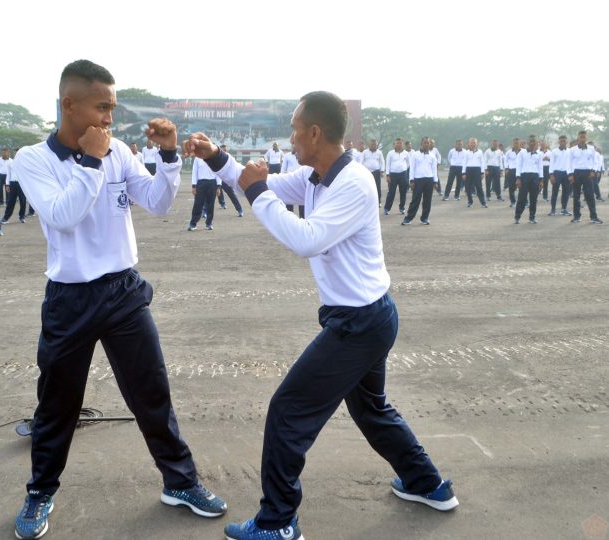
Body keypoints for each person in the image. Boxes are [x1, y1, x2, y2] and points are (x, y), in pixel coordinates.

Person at [186, 93, 456, 540]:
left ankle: (277, 523)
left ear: (314, 132)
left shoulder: (353, 182)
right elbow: (255, 179)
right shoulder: (316, 176)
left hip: (359, 323)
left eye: (294, 129)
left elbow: (306, 238)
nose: (289, 138)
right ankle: (428, 485)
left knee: (288, 412)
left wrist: (256, 193)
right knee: (371, 409)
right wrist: (216, 156)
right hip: (365, 317)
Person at [12, 59, 226, 540]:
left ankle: (181, 481)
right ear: (69, 104)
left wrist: (169, 157)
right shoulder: (32, 159)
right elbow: (63, 217)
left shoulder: (121, 152)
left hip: (123, 291)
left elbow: (158, 202)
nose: (109, 117)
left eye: (112, 107)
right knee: (57, 404)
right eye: (101, 106)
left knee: (152, 392)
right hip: (70, 298)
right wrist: (90, 161)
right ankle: (41, 490)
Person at [403, 137, 440, 225]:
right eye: (425, 143)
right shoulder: (415, 155)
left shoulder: (432, 156)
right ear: (421, 144)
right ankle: (408, 218)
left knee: (427, 201)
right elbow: (412, 168)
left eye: (428, 143)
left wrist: (435, 182)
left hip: (429, 180)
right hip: (418, 180)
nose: (426, 144)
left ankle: (424, 218)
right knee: (415, 200)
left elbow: (434, 170)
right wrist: (411, 180)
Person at [567, 131, 602, 224]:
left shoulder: (591, 149)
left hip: (588, 173)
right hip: (576, 173)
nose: (582, 139)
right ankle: (576, 217)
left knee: (590, 195)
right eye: (581, 137)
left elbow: (595, 161)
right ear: (578, 138)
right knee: (576, 196)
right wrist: (570, 175)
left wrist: (593, 171)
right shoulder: (572, 149)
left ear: (586, 138)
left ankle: (594, 217)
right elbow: (569, 163)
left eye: (584, 137)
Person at [514, 135, 544, 224]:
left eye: (534, 141)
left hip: (535, 177)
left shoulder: (539, 154)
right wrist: (518, 178)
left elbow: (540, 167)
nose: (532, 143)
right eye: (530, 141)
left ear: (536, 143)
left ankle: (532, 217)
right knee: (521, 198)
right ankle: (517, 217)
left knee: (533, 199)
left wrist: (541, 180)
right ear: (527, 142)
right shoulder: (522, 153)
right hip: (524, 176)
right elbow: (518, 166)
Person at [188, 156, 221, 231]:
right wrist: (194, 185)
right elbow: (194, 171)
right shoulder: (198, 158)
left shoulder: (215, 157)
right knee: (197, 204)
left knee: (210, 204)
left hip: (212, 183)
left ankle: (209, 223)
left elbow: (218, 172)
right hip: (201, 183)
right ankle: (193, 223)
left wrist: (218, 186)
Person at [383, 137, 409, 215]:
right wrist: (388, 175)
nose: (399, 144)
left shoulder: (406, 153)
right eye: (397, 143)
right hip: (393, 175)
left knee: (403, 192)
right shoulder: (390, 153)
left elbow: (408, 164)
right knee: (391, 192)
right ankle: (387, 208)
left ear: (403, 144)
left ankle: (402, 208)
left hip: (403, 174)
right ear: (395, 144)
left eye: (400, 143)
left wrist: (403, 168)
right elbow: (387, 164)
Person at [217, 144, 244, 217]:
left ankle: (239, 209)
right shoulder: (216, 157)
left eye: (225, 150)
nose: (224, 151)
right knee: (212, 194)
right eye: (223, 150)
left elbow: (235, 166)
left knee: (232, 194)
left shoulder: (229, 157)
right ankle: (221, 203)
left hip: (226, 179)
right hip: (217, 179)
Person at [3, 148, 28, 224]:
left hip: (22, 184)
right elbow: (8, 174)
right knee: (11, 201)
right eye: (15, 153)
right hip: (13, 184)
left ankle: (22, 217)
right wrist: (7, 185)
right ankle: (6, 217)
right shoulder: (11, 163)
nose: (16, 155)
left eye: (18, 153)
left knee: (23, 201)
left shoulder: (25, 163)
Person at [549, 135, 572, 216]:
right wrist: (551, 175)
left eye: (564, 141)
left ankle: (564, 209)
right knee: (555, 192)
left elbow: (571, 163)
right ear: (559, 142)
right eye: (561, 141)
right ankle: (553, 210)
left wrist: (571, 174)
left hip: (567, 173)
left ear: (566, 142)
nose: (563, 142)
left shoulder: (570, 151)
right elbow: (551, 164)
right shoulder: (554, 151)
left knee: (566, 192)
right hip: (557, 173)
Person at [462, 138, 487, 208]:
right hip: (468, 170)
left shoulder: (480, 152)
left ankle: (483, 202)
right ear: (469, 144)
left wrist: (482, 172)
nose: (473, 144)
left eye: (474, 143)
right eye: (471, 143)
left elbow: (482, 162)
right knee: (468, 187)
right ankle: (470, 202)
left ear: (476, 144)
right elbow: (464, 162)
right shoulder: (466, 152)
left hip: (477, 170)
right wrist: (463, 173)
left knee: (479, 187)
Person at [360, 139, 385, 206]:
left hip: (376, 172)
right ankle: (365, 201)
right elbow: (361, 161)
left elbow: (382, 162)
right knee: (366, 186)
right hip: (366, 172)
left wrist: (382, 171)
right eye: (372, 144)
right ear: (369, 145)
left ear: (376, 145)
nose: (373, 145)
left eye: (374, 144)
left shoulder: (379, 152)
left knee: (377, 187)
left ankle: (378, 201)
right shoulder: (365, 152)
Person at [281, 147, 304, 216]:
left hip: (301, 181)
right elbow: (283, 169)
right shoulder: (287, 156)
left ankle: (303, 219)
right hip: (289, 182)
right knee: (289, 205)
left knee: (303, 203)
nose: (295, 146)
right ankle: (289, 219)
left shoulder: (303, 155)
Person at [504, 138, 521, 207]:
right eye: (515, 143)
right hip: (512, 170)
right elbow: (505, 161)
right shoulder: (509, 152)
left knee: (522, 187)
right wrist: (507, 169)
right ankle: (513, 202)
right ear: (513, 144)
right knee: (511, 187)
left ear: (519, 144)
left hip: (520, 171)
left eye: (517, 143)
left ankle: (524, 202)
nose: (516, 144)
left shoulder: (523, 151)